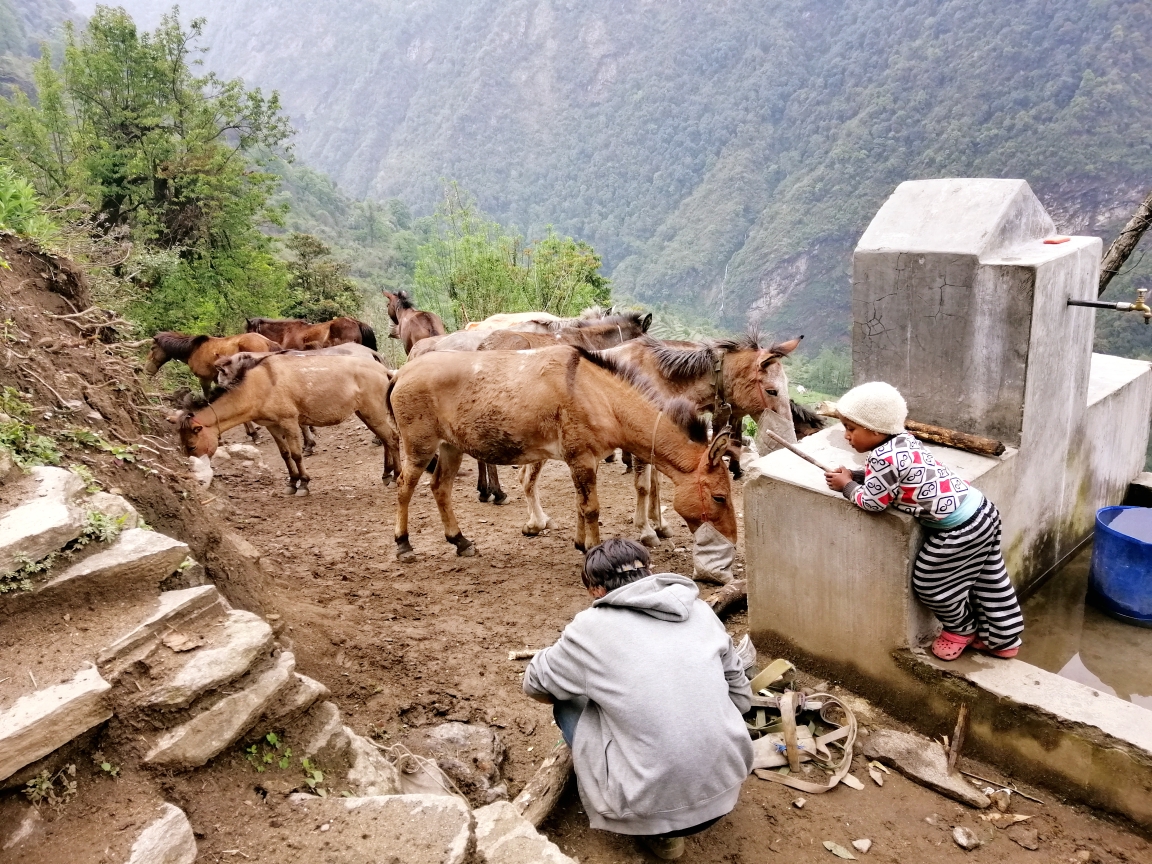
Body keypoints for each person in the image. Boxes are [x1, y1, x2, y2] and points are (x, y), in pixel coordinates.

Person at [522, 538, 753, 860]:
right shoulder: (699, 608)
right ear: (651, 572)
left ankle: (660, 833)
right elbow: (740, 693)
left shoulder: (589, 628)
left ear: (595, 591)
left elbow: (534, 685)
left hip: (649, 809)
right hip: (726, 787)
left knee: (566, 701)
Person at [823, 381, 1024, 661]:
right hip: (981, 510)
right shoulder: (902, 440)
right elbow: (893, 478)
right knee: (989, 577)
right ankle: (1004, 638)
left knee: (932, 582)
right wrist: (857, 476)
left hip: (958, 529)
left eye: (851, 428)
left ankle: (961, 630)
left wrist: (847, 486)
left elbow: (873, 502)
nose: (846, 436)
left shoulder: (882, 458)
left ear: (874, 430)